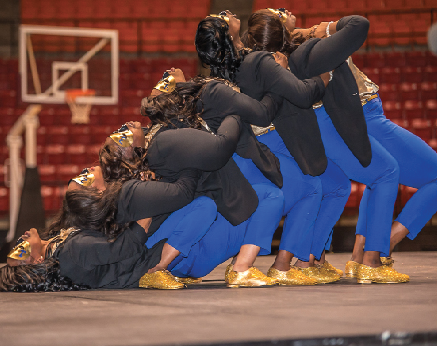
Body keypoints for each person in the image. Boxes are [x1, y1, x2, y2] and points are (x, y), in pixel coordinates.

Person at [245, 8, 409, 284]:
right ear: (281, 30)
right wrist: (329, 28)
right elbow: (359, 25)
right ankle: (371, 260)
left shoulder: (277, 58)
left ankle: (306, 259)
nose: (286, 9)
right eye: (280, 12)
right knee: (386, 172)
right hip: (325, 125)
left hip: (312, 126)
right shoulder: (310, 51)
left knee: (337, 186)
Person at [195, 11, 349, 284]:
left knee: (300, 190)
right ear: (229, 36)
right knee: (311, 188)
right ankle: (284, 264)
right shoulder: (260, 60)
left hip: (244, 146)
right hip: (259, 142)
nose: (228, 13)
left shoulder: (228, 64)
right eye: (222, 16)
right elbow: (299, 95)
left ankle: (293, 260)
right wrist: (321, 80)